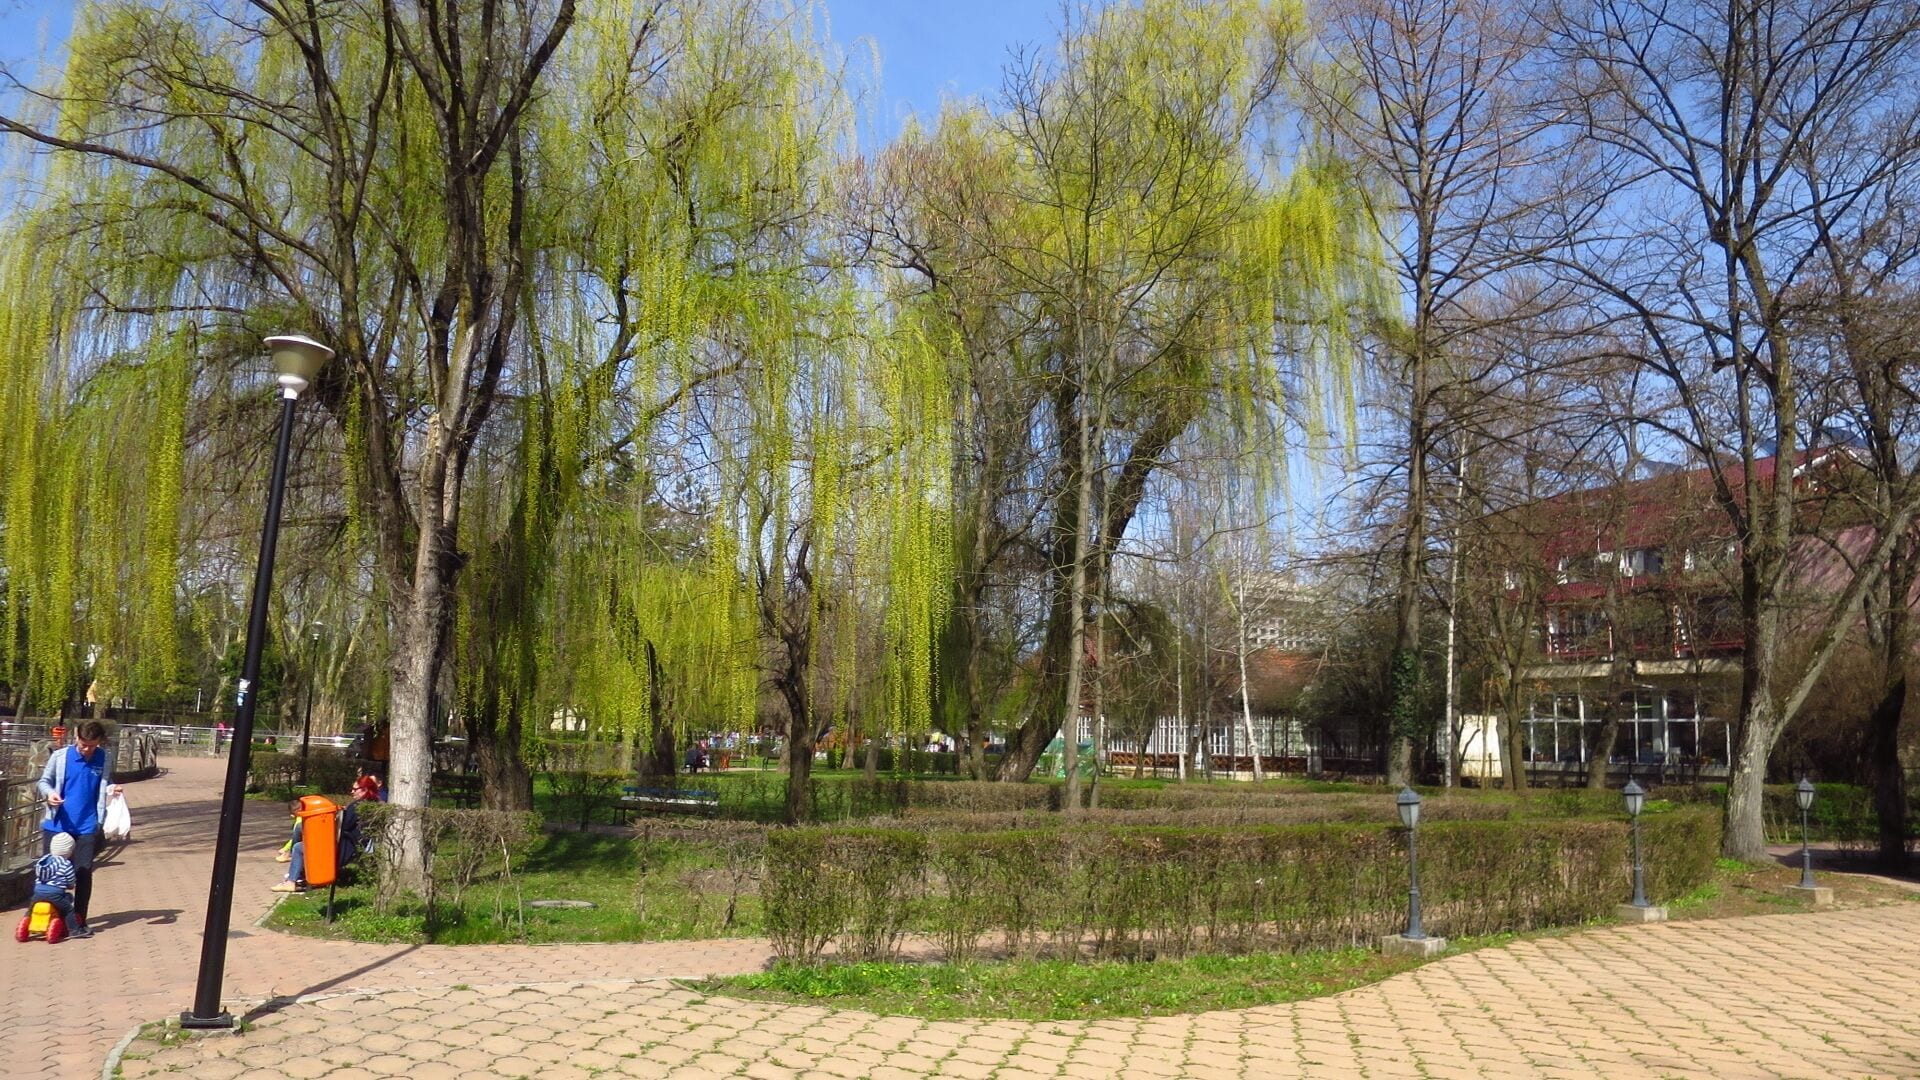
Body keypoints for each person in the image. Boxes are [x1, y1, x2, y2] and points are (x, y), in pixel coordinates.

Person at [36, 721, 120, 938]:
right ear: (76, 736)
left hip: (87, 825)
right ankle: (46, 916)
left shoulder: (104, 758)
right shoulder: (60, 757)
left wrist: (113, 789)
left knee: (83, 873)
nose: (87, 750)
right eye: (83, 744)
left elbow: (104, 784)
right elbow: (44, 782)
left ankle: (78, 920)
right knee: (49, 874)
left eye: (92, 746)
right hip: (58, 824)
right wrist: (49, 794)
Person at [32, 832, 78, 926]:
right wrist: (71, 885)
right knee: (68, 909)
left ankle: (27, 920)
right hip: (55, 893)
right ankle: (74, 930)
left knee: (31, 909)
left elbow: (38, 874)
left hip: (38, 892)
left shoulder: (43, 860)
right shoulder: (66, 864)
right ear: (69, 851)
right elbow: (70, 879)